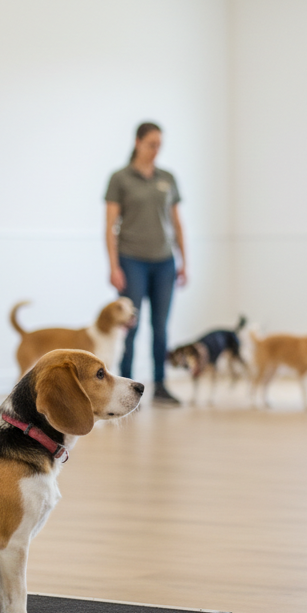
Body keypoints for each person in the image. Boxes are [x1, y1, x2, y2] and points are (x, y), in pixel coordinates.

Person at [105, 122, 186, 407]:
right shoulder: (120, 178)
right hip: (131, 260)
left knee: (160, 327)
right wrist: (113, 266)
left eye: (159, 144)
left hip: (164, 260)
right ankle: (125, 386)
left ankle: (161, 384)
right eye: (151, 143)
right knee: (130, 325)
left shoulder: (167, 178)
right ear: (138, 142)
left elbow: (176, 222)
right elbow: (110, 225)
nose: (156, 150)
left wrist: (184, 260)